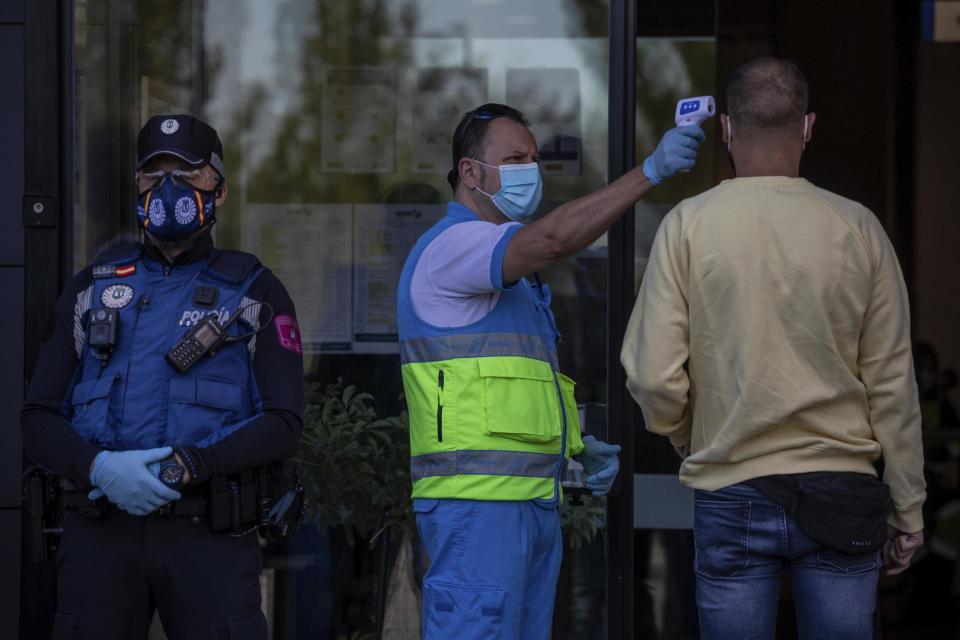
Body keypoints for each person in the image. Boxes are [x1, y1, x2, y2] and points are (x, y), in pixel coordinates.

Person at [621, 57, 926, 639]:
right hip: (842, 488)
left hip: (731, 487)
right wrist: (907, 508)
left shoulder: (688, 224)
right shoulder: (857, 227)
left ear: (728, 129)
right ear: (808, 126)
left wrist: (689, 431)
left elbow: (653, 376)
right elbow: (892, 381)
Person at [397, 102, 705, 638]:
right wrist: (648, 172)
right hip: (477, 511)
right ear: (470, 173)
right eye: (515, 158)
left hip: (528, 504)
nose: (530, 170)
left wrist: (575, 445)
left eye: (534, 158)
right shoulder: (453, 247)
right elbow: (554, 239)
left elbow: (516, 383)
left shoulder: (509, 271)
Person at [21, 114, 305, 639]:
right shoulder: (92, 289)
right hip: (100, 536)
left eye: (188, 175)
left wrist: (189, 466)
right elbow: (37, 416)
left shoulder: (256, 291)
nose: (167, 189)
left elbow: (284, 421)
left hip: (209, 539)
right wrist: (99, 467)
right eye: (153, 178)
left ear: (217, 191)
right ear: (137, 189)